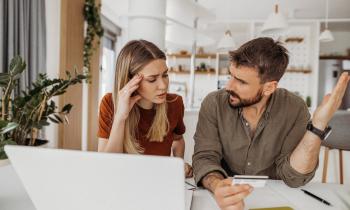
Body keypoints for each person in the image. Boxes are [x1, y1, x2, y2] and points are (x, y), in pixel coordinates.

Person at [192, 37, 350, 210]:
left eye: (241, 81)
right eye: (231, 76)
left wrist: (318, 125)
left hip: (276, 199)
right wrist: (217, 186)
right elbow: (205, 158)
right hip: (225, 197)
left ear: (269, 88)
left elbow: (294, 177)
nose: (229, 86)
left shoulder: (294, 108)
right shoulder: (214, 103)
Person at [98, 39, 192, 178]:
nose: (163, 85)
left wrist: (179, 166)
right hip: (122, 183)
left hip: (158, 183)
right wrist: (120, 117)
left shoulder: (174, 103)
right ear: (130, 80)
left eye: (165, 75)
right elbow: (107, 167)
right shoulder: (110, 103)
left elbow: (178, 140)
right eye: (152, 79)